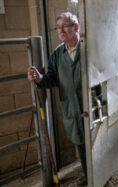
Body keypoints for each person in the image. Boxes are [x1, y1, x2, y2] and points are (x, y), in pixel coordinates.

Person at [27, 12, 87, 186]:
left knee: (95, 139)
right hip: (70, 106)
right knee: (79, 140)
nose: (60, 30)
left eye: (65, 26)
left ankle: (99, 171)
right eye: (58, 27)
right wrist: (39, 78)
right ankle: (86, 173)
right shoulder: (57, 54)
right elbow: (51, 77)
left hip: (89, 104)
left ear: (76, 27)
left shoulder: (88, 49)